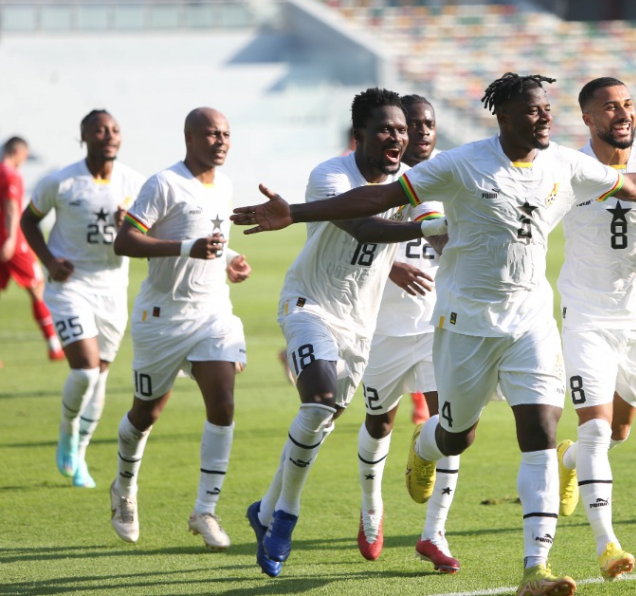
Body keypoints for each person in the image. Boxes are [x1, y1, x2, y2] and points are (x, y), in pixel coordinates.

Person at [232, 72, 636, 596]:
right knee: (458, 434)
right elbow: (378, 200)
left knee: (542, 434)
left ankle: (537, 568)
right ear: (503, 118)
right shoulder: (461, 163)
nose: (545, 117)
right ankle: (427, 445)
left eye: (548, 109)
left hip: (531, 322)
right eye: (533, 110)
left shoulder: (565, 164)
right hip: (466, 324)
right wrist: (295, 213)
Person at [246, 88, 447, 578]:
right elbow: (362, 225)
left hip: (361, 324)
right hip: (309, 304)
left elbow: (433, 226)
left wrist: (447, 234)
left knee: (322, 422)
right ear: (359, 135)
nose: (397, 136)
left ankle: (265, 509)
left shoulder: (411, 181)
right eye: (385, 128)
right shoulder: (330, 175)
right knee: (316, 401)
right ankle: (286, 518)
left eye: (401, 129)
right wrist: (423, 230)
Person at [555, 78, 636, 580]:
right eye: (610, 107)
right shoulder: (570, 170)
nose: (623, 114)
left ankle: (569, 461)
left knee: (620, 431)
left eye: (628, 104)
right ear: (588, 118)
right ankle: (607, 543)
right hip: (586, 314)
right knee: (595, 429)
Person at [109, 107, 252, 550]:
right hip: (162, 317)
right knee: (146, 413)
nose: (222, 141)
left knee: (223, 403)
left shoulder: (224, 185)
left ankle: (205, 510)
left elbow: (213, 239)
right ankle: (124, 488)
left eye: (226, 134)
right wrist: (188, 248)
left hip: (212, 313)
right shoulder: (163, 183)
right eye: (213, 134)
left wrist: (230, 260)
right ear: (190, 137)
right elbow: (126, 240)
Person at [356, 94, 459, 572]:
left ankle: (434, 533)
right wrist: (392, 264)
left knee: (453, 426)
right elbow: (351, 230)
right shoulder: (379, 179)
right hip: (384, 328)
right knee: (379, 422)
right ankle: (371, 508)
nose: (420, 132)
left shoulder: (455, 175)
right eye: (411, 124)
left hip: (440, 326)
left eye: (428, 124)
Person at [20, 111, 145, 488]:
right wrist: (48, 260)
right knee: (86, 369)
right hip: (70, 286)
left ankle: (81, 454)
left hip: (112, 289)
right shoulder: (61, 181)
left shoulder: (134, 182)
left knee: (101, 376)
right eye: (100, 129)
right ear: (84, 136)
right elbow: (29, 220)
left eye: (115, 130)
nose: (109, 135)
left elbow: (149, 229)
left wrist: (133, 224)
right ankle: (67, 432)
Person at [0, 136, 64, 361]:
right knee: (37, 289)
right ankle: (54, 346)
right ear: (18, 152)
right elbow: (11, 207)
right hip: (14, 244)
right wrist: (9, 239)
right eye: (26, 155)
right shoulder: (11, 175)